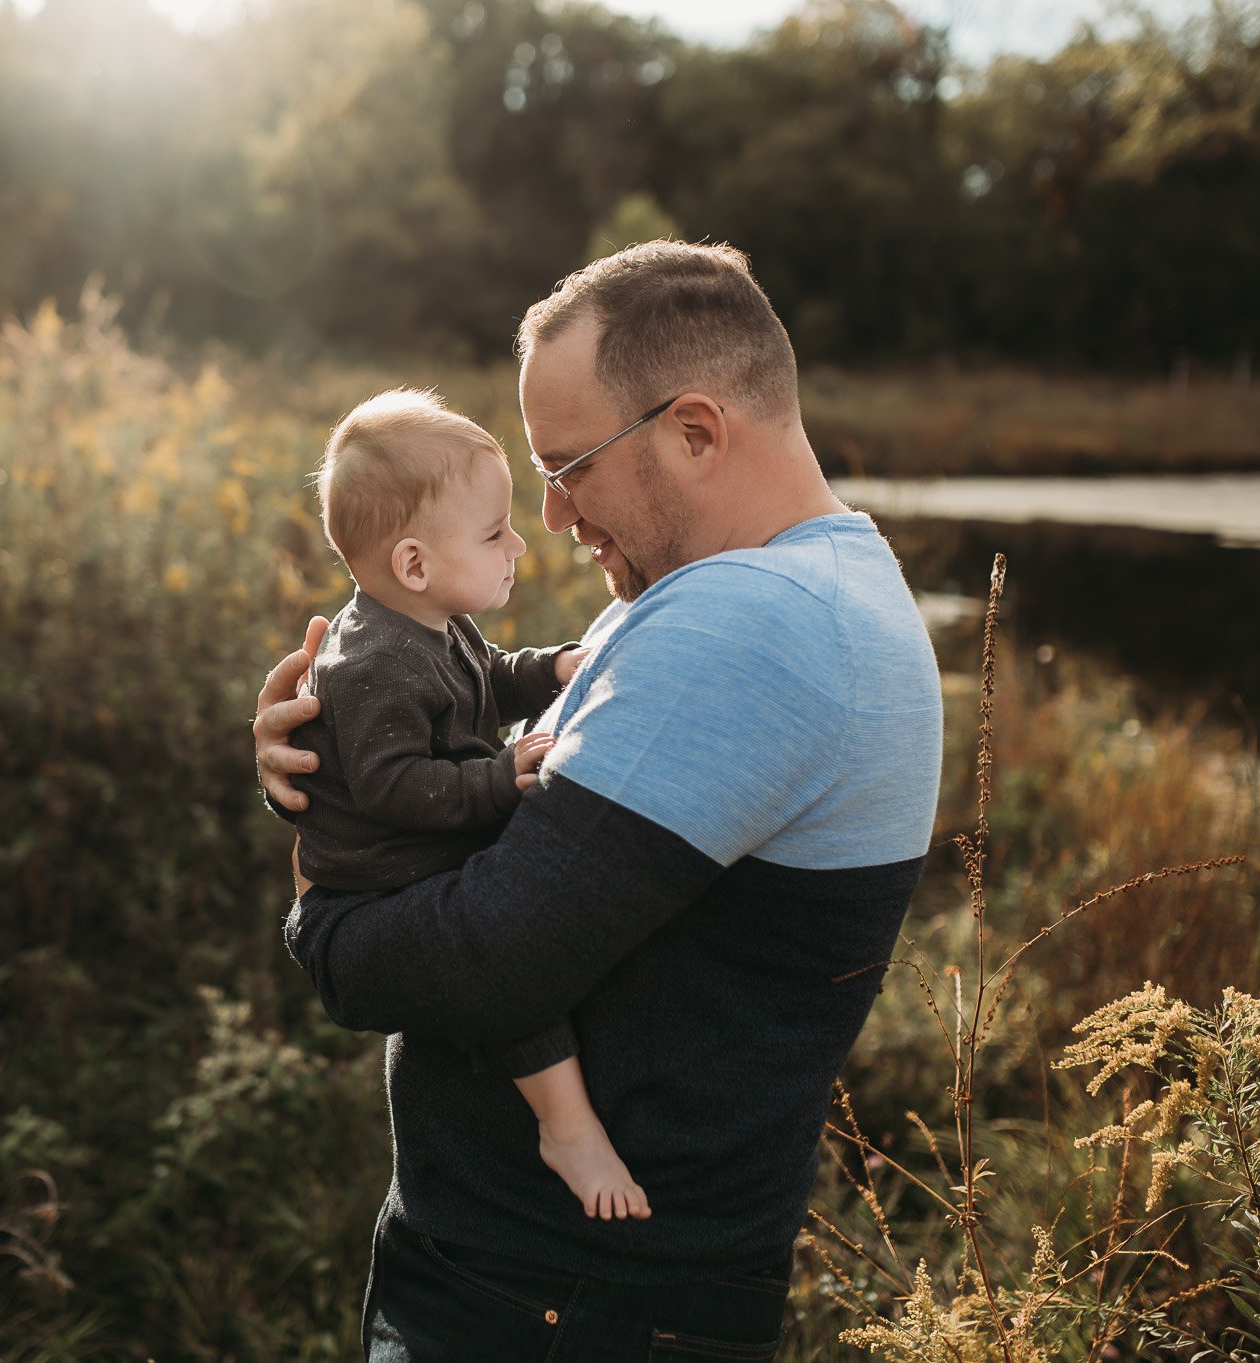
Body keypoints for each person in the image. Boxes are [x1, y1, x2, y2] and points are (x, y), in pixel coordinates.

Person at [253, 240, 944, 1361]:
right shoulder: (743, 593)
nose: (558, 514)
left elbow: (482, 959)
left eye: (569, 464)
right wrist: (326, 764)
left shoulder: (751, 625)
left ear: (693, 430)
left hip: (569, 1302)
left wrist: (323, 888)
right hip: (549, 1285)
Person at [287, 387, 649, 1223]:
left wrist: (555, 666)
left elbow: (487, 672)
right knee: (502, 970)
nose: (520, 542)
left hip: (413, 860)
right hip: (383, 882)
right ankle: (566, 1126)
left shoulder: (430, 623)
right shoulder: (373, 661)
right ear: (414, 563)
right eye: (495, 534)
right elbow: (391, 786)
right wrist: (499, 776)